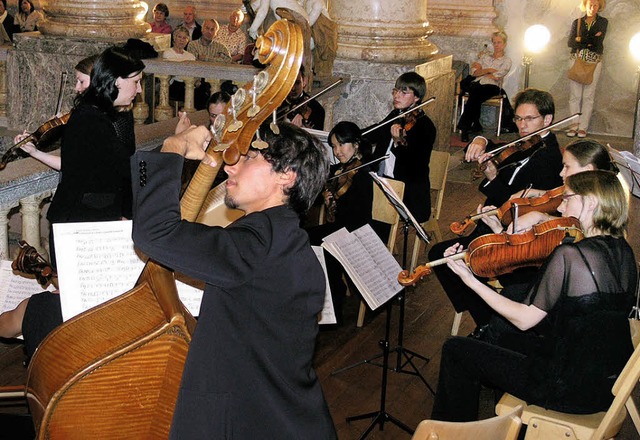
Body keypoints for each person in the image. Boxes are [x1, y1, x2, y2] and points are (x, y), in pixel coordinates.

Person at [130, 122, 337, 438]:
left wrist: (173, 146)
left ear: (287, 176)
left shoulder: (256, 243)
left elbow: (154, 231)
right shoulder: (290, 243)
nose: (231, 167)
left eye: (251, 157)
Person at [431, 169, 636, 421]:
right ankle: (506, 426)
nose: (560, 208)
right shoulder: (624, 251)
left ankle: (453, 433)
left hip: (568, 386)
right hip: (604, 381)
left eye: (567, 197)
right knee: (497, 338)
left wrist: (470, 280)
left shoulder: (571, 255)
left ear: (591, 202)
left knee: (456, 350)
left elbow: (524, 319)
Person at [429, 88, 563, 332]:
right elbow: (499, 148)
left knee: (443, 256)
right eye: (519, 119)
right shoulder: (527, 145)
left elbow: (513, 208)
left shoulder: (549, 159)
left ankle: (489, 323)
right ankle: (489, 320)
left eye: (530, 119)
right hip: (496, 226)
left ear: (548, 119)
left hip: (517, 239)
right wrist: (480, 140)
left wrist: (492, 176)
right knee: (442, 256)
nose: (522, 126)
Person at [46, 46, 143, 267]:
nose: (138, 90)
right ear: (116, 81)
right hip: (76, 229)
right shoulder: (90, 119)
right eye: (136, 82)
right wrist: (174, 148)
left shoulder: (105, 115)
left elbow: (118, 177)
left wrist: (124, 213)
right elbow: (129, 170)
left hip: (94, 223)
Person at [306, 122, 375, 322]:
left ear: (355, 144)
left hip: (355, 229)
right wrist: (325, 197)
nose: (337, 152)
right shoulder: (339, 170)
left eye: (341, 145)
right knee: (307, 236)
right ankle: (323, 298)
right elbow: (319, 190)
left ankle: (333, 302)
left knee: (320, 242)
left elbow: (357, 217)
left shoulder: (363, 173)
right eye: (334, 147)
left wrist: (335, 201)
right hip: (340, 226)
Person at [366, 71, 435, 223]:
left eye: (404, 92)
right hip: (383, 184)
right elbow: (375, 132)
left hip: (407, 192)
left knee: (365, 208)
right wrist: (351, 136)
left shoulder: (425, 126)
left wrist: (398, 142)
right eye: (396, 90)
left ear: (416, 97)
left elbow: (415, 167)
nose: (397, 96)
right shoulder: (395, 115)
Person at [14, 54, 98, 171]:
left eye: (81, 82)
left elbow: (75, 164)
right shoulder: (89, 113)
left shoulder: (93, 119)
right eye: (76, 81)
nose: (76, 88)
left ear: (97, 82)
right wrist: (35, 137)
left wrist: (35, 152)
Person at [458, 31, 516, 142]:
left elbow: (497, 76)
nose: (496, 45)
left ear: (504, 44)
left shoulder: (506, 60)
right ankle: (472, 125)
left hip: (492, 87)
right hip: (477, 84)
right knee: (476, 94)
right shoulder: (485, 57)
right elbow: (474, 72)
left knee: (475, 94)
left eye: (499, 42)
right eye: (494, 42)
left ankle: (466, 127)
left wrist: (482, 71)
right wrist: (488, 70)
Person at [566, 0, 608, 138]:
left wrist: (581, 39)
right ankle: (574, 126)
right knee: (575, 96)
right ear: (585, 5)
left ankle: (583, 128)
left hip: (594, 62)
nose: (592, 7)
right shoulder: (577, 22)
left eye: (596, 5)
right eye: (590, 4)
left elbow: (598, 43)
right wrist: (589, 39)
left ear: (599, 6)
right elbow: (570, 42)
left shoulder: (603, 22)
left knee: (588, 96)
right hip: (576, 60)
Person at [277, 64, 325, 129]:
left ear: (304, 82)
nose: (293, 88)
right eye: (289, 83)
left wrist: (303, 130)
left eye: (297, 83)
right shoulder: (276, 105)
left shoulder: (317, 109)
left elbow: (316, 136)